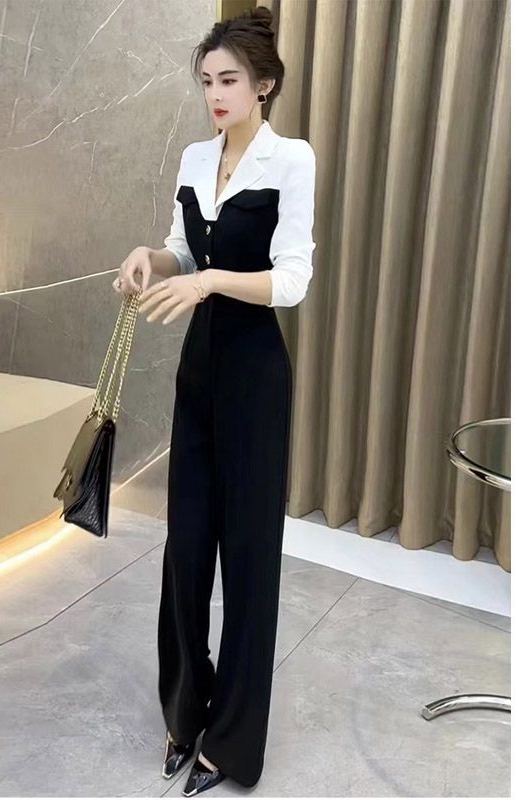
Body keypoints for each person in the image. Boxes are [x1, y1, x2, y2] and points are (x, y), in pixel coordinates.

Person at [112, 5, 316, 796]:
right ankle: (183, 716)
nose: (215, 95)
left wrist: (208, 283)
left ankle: (230, 744)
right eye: (206, 81)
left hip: (256, 378)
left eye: (229, 80)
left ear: (263, 84)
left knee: (250, 561)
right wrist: (150, 257)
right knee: (186, 550)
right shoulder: (196, 157)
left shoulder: (290, 160)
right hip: (198, 377)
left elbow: (291, 282)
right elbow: (180, 246)